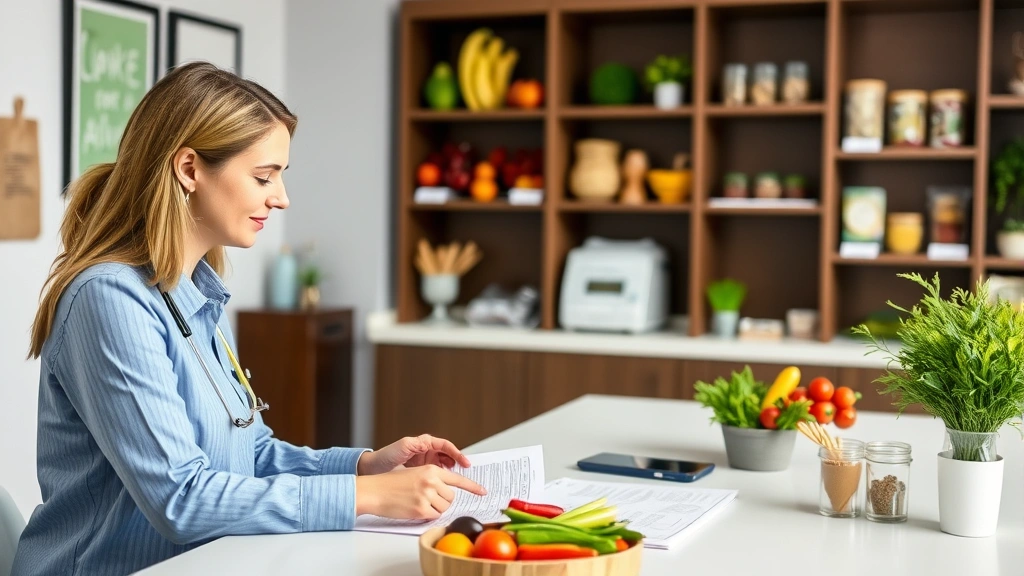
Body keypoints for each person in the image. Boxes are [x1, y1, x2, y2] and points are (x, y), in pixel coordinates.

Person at [12, 62, 485, 576]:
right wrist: (365, 495)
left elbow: (250, 453)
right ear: (189, 169)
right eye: (264, 176)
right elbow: (181, 498)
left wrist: (364, 465)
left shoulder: (199, 293)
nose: (280, 198)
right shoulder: (110, 301)